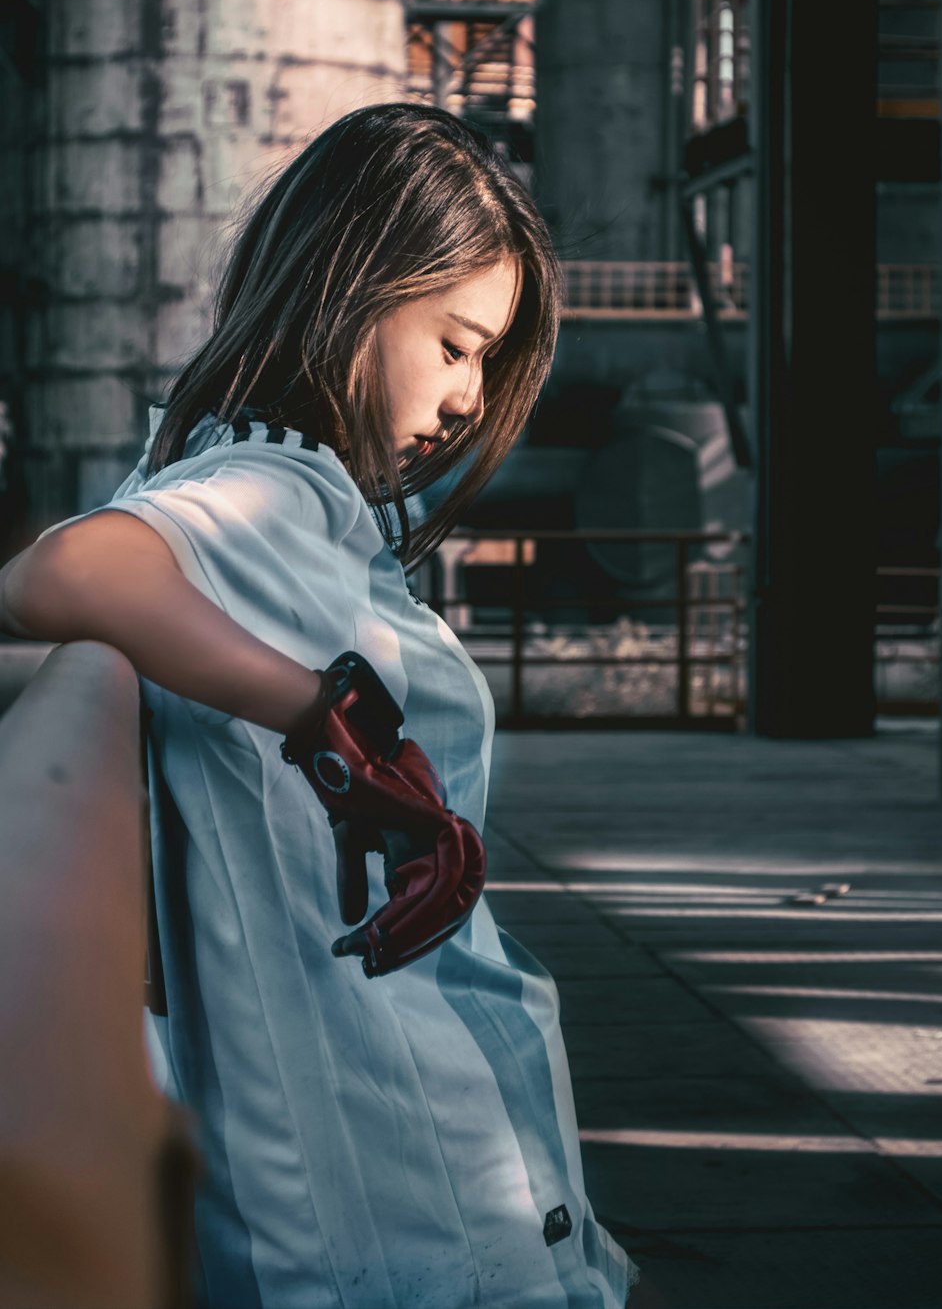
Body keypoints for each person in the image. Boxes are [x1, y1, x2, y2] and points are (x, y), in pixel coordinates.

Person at [0, 103, 653, 1308]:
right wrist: (332, 723)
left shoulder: (288, 500)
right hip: (400, 1166)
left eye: (488, 362)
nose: (469, 397)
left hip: (424, 1116)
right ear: (357, 288)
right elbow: (60, 572)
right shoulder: (268, 484)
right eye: (457, 344)